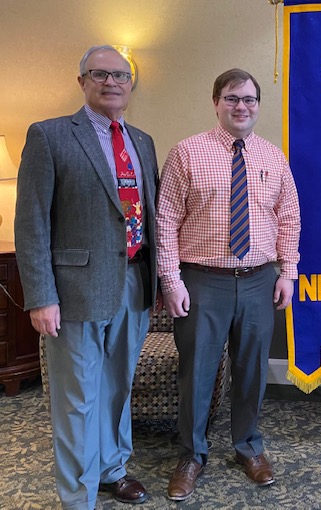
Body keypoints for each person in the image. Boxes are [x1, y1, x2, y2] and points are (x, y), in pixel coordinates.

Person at [15, 45, 159, 510]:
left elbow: (149, 216)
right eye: (100, 73)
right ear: (82, 82)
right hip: (74, 290)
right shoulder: (49, 135)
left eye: (121, 75)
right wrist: (40, 296)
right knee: (77, 395)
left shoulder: (142, 140)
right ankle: (78, 496)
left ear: (130, 85)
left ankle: (113, 468)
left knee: (118, 387)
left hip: (135, 283)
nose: (112, 82)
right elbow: (31, 221)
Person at [156, 68, 301, 501]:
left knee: (252, 371)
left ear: (258, 106)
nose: (242, 107)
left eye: (250, 100)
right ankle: (192, 454)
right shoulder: (186, 153)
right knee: (196, 373)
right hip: (202, 281)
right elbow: (165, 222)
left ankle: (248, 447)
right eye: (233, 98)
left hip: (259, 281)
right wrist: (171, 280)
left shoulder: (273, 158)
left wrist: (288, 272)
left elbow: (288, 218)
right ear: (216, 102)